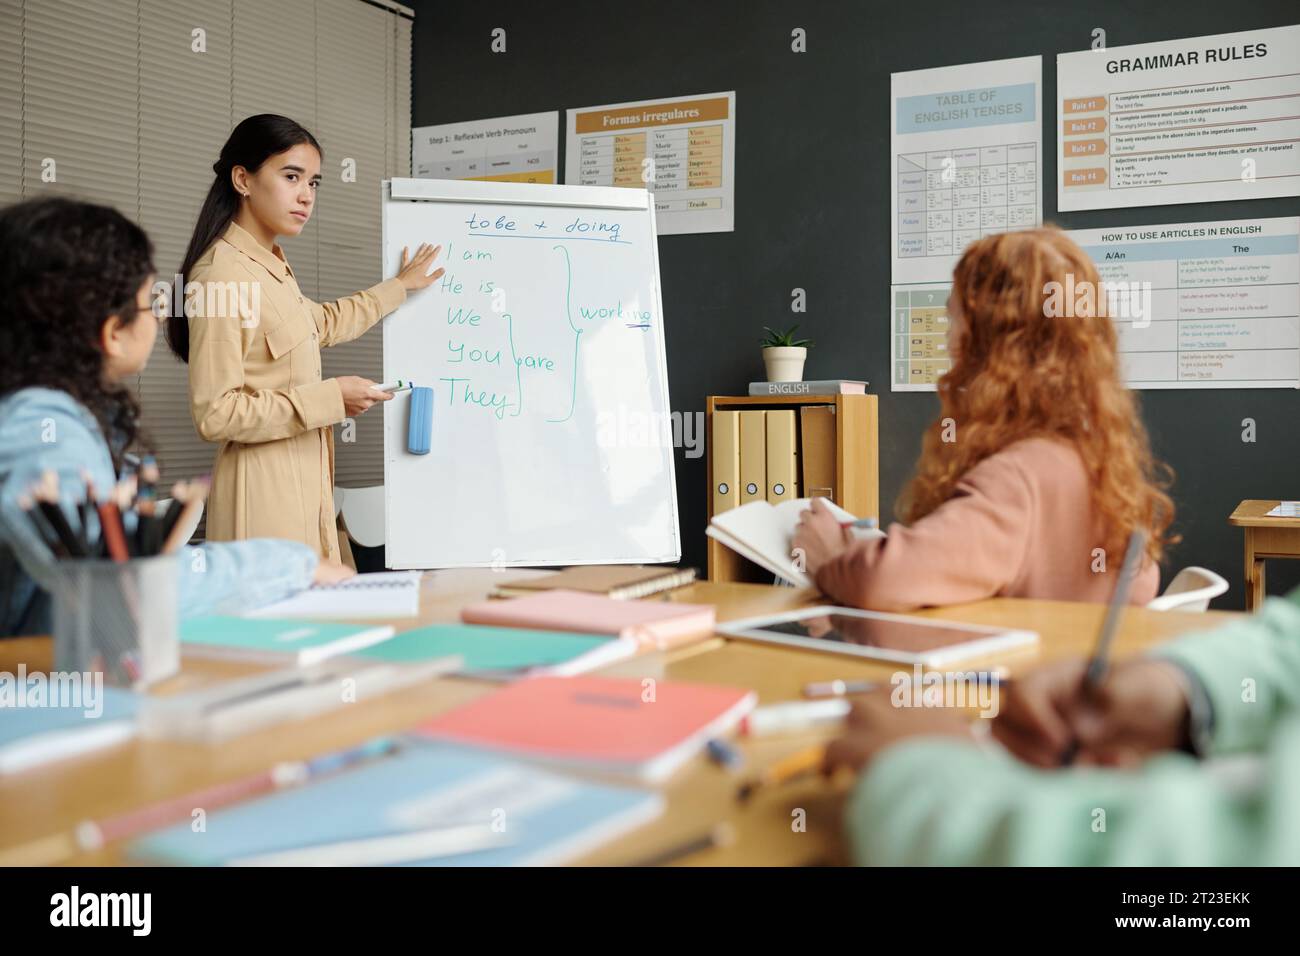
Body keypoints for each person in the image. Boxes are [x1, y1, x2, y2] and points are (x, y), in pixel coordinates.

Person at [0, 197, 351, 636]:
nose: (164, 313)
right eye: (151, 302)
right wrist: (292, 566)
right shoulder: (37, 430)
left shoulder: (55, 416)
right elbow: (120, 582)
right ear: (112, 332)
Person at [794, 228, 1176, 610]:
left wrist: (831, 558)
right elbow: (1140, 583)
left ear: (989, 346)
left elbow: (885, 581)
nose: (947, 344)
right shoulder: (1100, 463)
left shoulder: (1018, 477)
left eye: (954, 321)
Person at [168, 113, 442, 559]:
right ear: (243, 179)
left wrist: (399, 287)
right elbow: (214, 413)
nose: (305, 196)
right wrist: (332, 398)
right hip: (261, 491)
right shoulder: (221, 275)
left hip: (306, 481)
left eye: (314, 183)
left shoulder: (270, 264)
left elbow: (323, 322)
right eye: (291, 176)